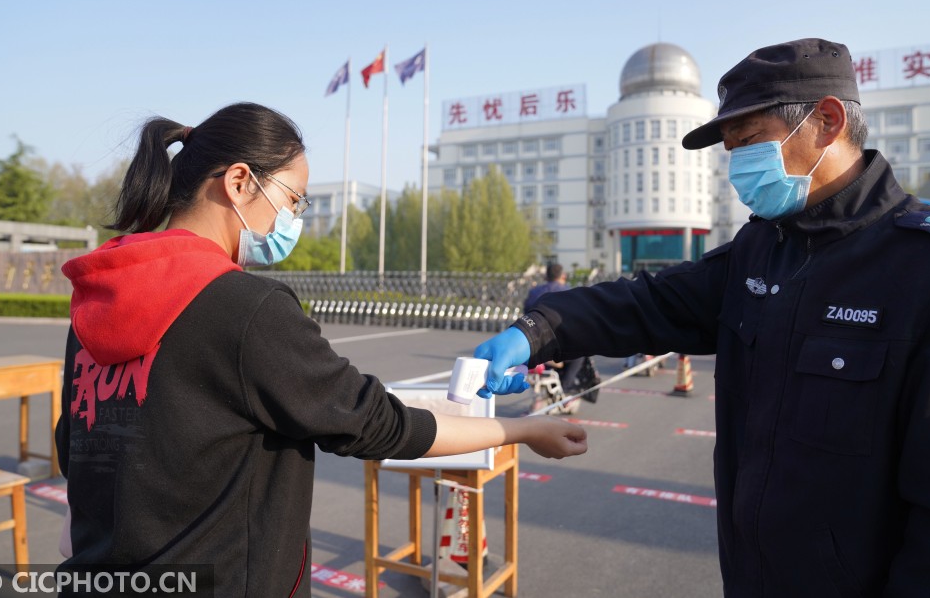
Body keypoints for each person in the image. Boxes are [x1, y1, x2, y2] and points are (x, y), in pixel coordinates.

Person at [474, 39, 930, 595]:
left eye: (751, 142)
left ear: (828, 121)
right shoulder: (763, 248)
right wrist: (537, 331)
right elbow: (653, 301)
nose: (739, 166)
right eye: (731, 150)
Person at [55, 102, 587, 597]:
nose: (294, 220)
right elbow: (373, 422)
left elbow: (75, 445)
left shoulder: (102, 294)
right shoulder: (245, 306)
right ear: (240, 182)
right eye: (292, 200)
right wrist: (524, 429)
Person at [523, 263, 586, 393]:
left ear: (546, 276)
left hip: (533, 343)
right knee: (580, 356)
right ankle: (565, 388)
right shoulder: (567, 290)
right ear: (562, 275)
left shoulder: (534, 291)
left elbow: (526, 313)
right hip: (555, 344)